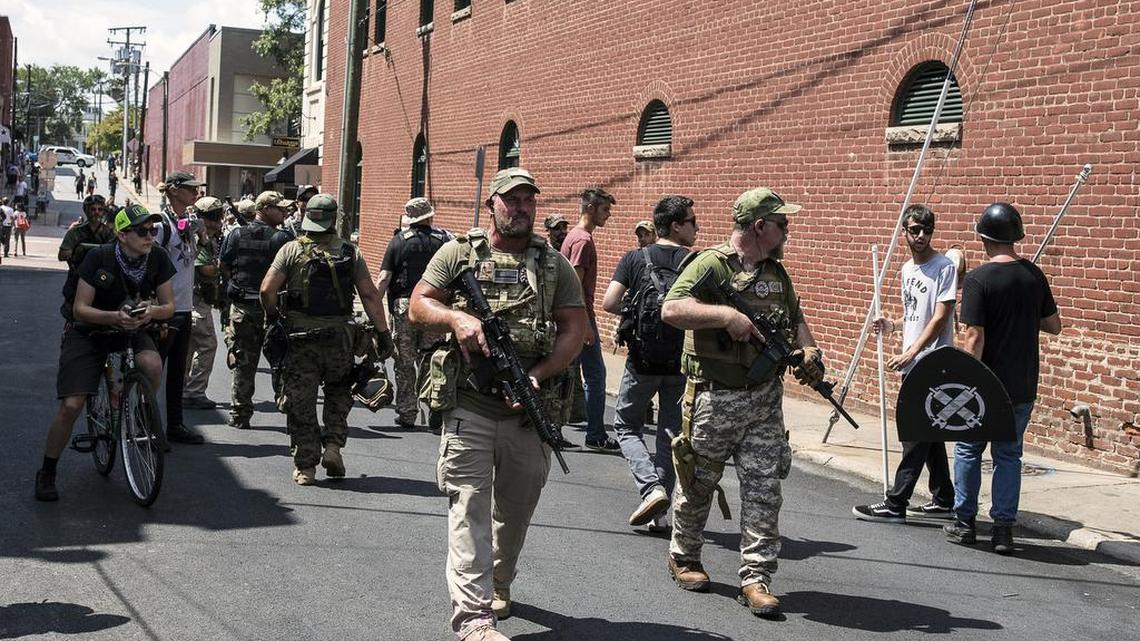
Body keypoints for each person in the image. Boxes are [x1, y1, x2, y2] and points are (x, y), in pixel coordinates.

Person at [410, 167, 587, 641]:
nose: (522, 208)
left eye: (529, 200)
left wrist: (539, 374)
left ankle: (499, 584)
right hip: (469, 403)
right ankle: (473, 619)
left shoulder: (554, 266)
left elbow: (575, 330)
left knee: (515, 509)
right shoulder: (459, 253)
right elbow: (418, 305)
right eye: (512, 200)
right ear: (492, 204)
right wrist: (456, 319)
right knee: (468, 505)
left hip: (529, 410)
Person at [661, 187, 825, 619]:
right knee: (697, 483)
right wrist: (726, 316)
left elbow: (797, 320)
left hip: (764, 401)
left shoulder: (778, 274)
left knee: (764, 490)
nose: (787, 230)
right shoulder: (710, 263)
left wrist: (809, 354)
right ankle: (685, 556)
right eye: (782, 223)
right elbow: (672, 308)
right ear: (759, 226)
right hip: (714, 398)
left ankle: (755, 578)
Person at [34, 204, 176, 501]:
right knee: (72, 404)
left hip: (133, 328)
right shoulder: (98, 257)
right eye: (142, 231)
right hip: (91, 330)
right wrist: (114, 317)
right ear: (122, 235)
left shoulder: (158, 258)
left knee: (150, 363)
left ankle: (139, 410)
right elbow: (80, 309)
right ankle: (47, 471)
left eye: (153, 231)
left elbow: (169, 306)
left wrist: (151, 311)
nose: (149, 237)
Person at [944, 202, 1062, 554]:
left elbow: (974, 336)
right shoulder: (1034, 275)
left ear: (983, 237)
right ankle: (1003, 531)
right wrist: (1025, 317)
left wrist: (968, 378)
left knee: (968, 449)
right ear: (1015, 237)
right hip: (1023, 383)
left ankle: (964, 522)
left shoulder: (979, 279)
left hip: (986, 386)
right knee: (1009, 456)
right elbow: (1054, 325)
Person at [260, 194, 394, 484]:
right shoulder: (350, 251)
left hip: (299, 337)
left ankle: (306, 466)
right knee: (338, 393)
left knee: (301, 401)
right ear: (334, 218)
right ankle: (333, 447)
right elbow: (370, 295)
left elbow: (267, 289)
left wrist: (274, 318)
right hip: (341, 337)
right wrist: (383, 333)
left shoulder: (291, 249)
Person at [852, 204, 958, 523]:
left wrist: (913, 352)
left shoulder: (944, 267)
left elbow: (940, 317)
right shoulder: (906, 270)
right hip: (913, 360)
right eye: (915, 230)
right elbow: (916, 314)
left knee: (915, 431)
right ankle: (944, 498)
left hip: (933, 362)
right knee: (930, 432)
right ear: (905, 232)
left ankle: (896, 502)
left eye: (927, 230)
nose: (922, 236)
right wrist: (892, 326)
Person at [602, 196, 698, 530]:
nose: (696, 227)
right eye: (691, 221)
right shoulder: (695, 262)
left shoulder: (635, 258)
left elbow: (609, 302)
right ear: (675, 225)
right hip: (680, 364)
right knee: (670, 435)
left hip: (642, 360)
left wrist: (634, 312)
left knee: (626, 425)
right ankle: (659, 513)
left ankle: (651, 489)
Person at [219, 190, 294, 429]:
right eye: (279, 208)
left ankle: (240, 414)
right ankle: (288, 410)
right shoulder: (282, 238)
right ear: (264, 209)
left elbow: (224, 266)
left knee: (244, 362)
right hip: (273, 309)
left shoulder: (236, 234)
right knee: (281, 361)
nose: (284, 211)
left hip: (243, 308)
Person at [375, 197, 452, 430]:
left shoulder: (398, 242)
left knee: (405, 362)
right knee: (432, 358)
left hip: (404, 308)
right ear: (430, 216)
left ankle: (407, 412)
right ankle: (434, 405)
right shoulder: (444, 242)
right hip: (434, 306)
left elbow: (384, 279)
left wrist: (374, 310)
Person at [561, 188, 620, 451]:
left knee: (563, 372)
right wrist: (584, 325)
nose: (608, 215)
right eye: (605, 209)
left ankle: (554, 428)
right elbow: (575, 284)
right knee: (595, 375)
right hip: (579, 317)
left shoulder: (573, 236)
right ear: (591, 209)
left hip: (571, 316)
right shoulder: (583, 240)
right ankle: (595, 435)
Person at [154, 173, 208, 445]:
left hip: (185, 307)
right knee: (153, 372)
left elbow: (190, 259)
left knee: (178, 372)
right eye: (190, 189)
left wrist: (201, 233)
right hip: (165, 308)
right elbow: (151, 262)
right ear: (174, 191)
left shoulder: (186, 222)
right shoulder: (161, 224)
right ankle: (148, 427)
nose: (195, 193)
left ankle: (175, 425)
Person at [183, 197, 227, 409]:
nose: (219, 220)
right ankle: (194, 392)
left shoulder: (212, 237)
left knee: (190, 347)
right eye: (214, 216)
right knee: (208, 344)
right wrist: (223, 266)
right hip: (196, 301)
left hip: (198, 300)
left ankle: (183, 390)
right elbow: (205, 269)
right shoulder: (198, 238)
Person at [58, 195, 117, 318]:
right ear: (86, 211)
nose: (96, 213)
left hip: (102, 278)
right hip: (78, 276)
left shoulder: (109, 233)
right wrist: (77, 250)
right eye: (93, 209)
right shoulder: (76, 232)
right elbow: (62, 254)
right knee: (73, 313)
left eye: (99, 209)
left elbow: (116, 253)